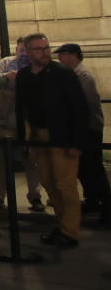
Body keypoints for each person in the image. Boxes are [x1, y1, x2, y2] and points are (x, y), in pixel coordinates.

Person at [16, 33, 90, 248]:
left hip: (62, 136)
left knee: (65, 184)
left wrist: (76, 143)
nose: (45, 52)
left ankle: (70, 231)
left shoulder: (63, 74)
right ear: (28, 52)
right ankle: (62, 224)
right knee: (48, 182)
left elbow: (79, 109)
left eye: (46, 47)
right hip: (39, 136)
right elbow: (22, 109)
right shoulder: (24, 76)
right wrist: (24, 139)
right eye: (38, 49)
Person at [55, 43, 111, 228]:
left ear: (73, 56)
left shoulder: (82, 75)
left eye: (62, 55)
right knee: (84, 169)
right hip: (82, 128)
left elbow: (82, 105)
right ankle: (93, 201)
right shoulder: (74, 74)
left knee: (93, 169)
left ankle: (107, 208)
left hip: (88, 128)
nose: (60, 59)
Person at [0, 38, 44, 212]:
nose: (23, 53)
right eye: (21, 49)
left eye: (26, 50)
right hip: (6, 120)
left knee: (33, 161)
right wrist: (7, 78)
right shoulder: (6, 63)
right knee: (2, 161)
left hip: (29, 121)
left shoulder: (35, 66)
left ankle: (35, 197)